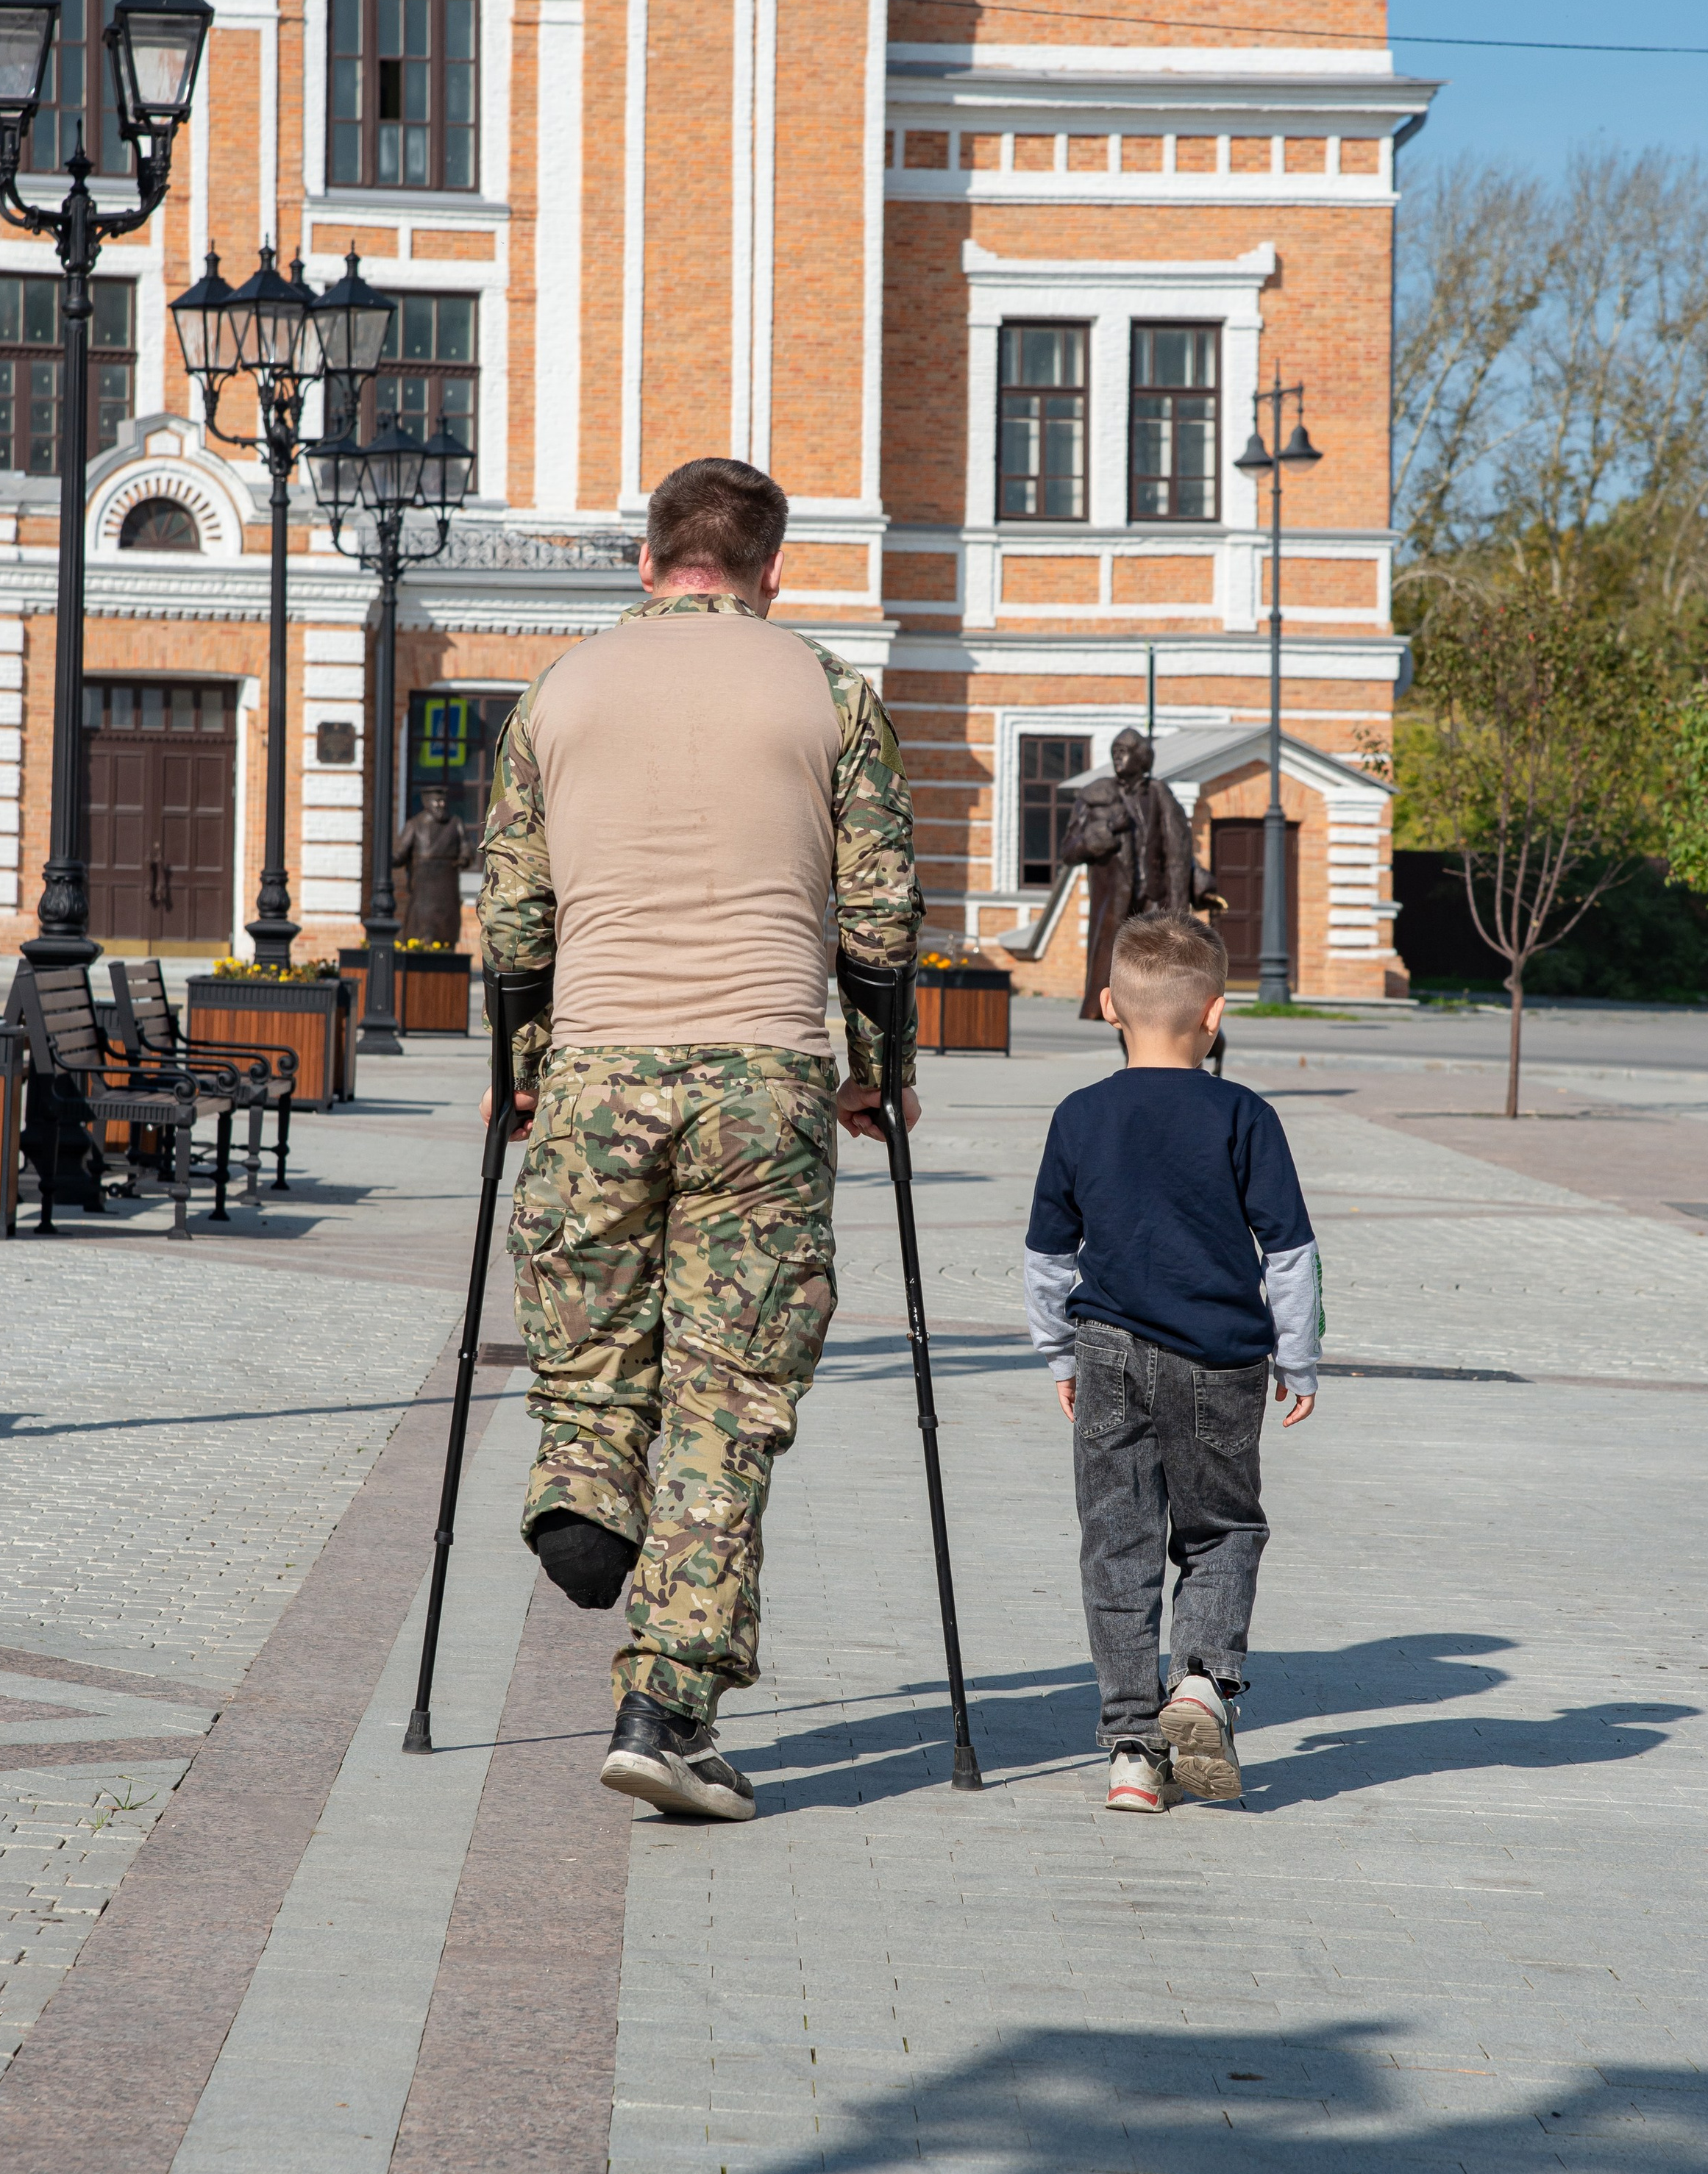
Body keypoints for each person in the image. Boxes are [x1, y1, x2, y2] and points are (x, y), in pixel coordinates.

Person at [478, 455, 920, 1825]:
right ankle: (664, 1704)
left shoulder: (557, 691)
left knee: (595, 1338)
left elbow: (509, 925)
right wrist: (880, 1073)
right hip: (765, 1076)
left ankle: (581, 1495)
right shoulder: (831, 691)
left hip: (599, 1068)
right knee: (727, 1402)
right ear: (771, 567)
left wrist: (524, 1071)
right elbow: (882, 922)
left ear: (649, 559)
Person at [1021, 910, 1320, 1815]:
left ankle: (1131, 1753)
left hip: (1107, 1350)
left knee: (1116, 1544)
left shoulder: (1079, 1115)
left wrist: (1057, 1354)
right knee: (1223, 1529)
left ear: (1108, 1005)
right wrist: (1298, 1360)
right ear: (1216, 1014)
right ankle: (1199, 1683)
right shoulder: (1244, 1115)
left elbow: (1046, 1258)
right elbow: (1289, 1254)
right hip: (1219, 1359)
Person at [1058, 727, 1225, 1024]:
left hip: (1157, 900)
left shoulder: (1160, 795)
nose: (1117, 758)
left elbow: (1177, 853)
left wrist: (1201, 886)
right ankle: (1124, 1032)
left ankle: (1155, 1037)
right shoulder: (1096, 796)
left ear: (1142, 758)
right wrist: (1107, 831)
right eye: (1114, 752)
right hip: (1116, 906)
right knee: (1118, 980)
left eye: (1124, 752)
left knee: (1161, 979)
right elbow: (1069, 851)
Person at [392, 783, 473, 945]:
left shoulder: (455, 823)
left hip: (447, 885)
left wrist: (464, 858)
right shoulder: (415, 825)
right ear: (426, 803)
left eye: (443, 801)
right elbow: (400, 853)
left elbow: (466, 847)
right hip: (423, 886)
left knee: (446, 927)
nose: (441, 805)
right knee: (421, 925)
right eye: (437, 801)